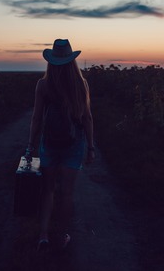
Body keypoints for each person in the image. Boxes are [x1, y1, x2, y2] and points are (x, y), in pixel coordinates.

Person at [25, 39, 95, 251]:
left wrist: (31, 146)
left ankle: (43, 235)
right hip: (74, 145)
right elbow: (87, 118)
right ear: (71, 60)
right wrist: (90, 147)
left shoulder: (43, 85)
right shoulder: (81, 84)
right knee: (67, 193)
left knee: (47, 191)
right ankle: (62, 235)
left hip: (50, 143)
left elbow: (37, 118)